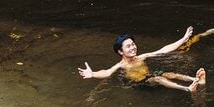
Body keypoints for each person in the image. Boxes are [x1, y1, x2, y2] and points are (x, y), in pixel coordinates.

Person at [78, 27, 206, 93]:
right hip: (139, 84)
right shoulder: (120, 65)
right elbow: (107, 72)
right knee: (158, 78)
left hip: (148, 77)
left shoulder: (141, 57)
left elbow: (164, 50)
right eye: (128, 46)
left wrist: (183, 39)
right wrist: (92, 74)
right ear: (120, 51)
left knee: (166, 73)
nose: (133, 47)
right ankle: (187, 89)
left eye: (133, 44)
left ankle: (195, 80)